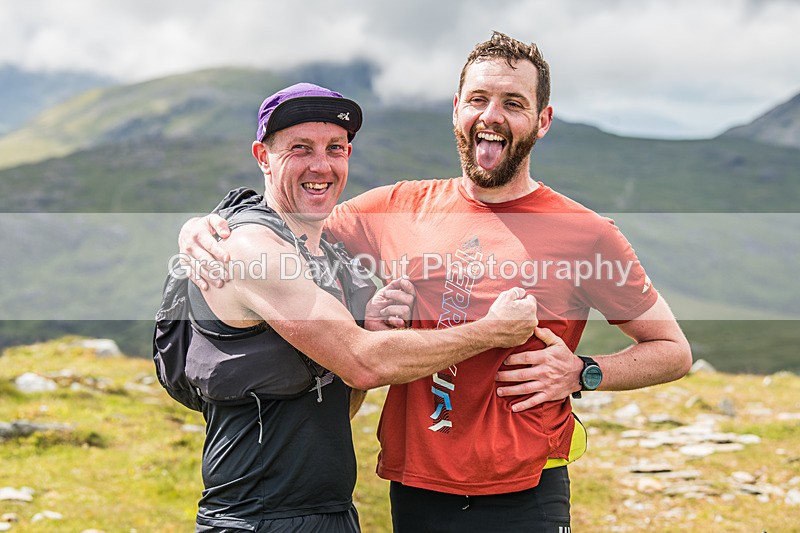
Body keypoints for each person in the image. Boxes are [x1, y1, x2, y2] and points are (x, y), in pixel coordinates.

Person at [181, 33, 692, 532]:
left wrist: (584, 372)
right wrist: (211, 225)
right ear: (456, 111)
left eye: (513, 103)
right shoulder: (397, 206)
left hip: (526, 490)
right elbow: (288, 221)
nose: (491, 116)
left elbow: (671, 349)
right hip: (417, 487)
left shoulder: (587, 234)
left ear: (542, 121)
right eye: (478, 99)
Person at [180, 81, 539, 532]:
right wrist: (492, 331)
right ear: (262, 157)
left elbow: (335, 406)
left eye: (336, 148)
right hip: (254, 520)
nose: (321, 165)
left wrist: (369, 326)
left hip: (330, 514)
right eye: (300, 148)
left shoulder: (324, 255)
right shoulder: (252, 249)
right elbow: (362, 363)